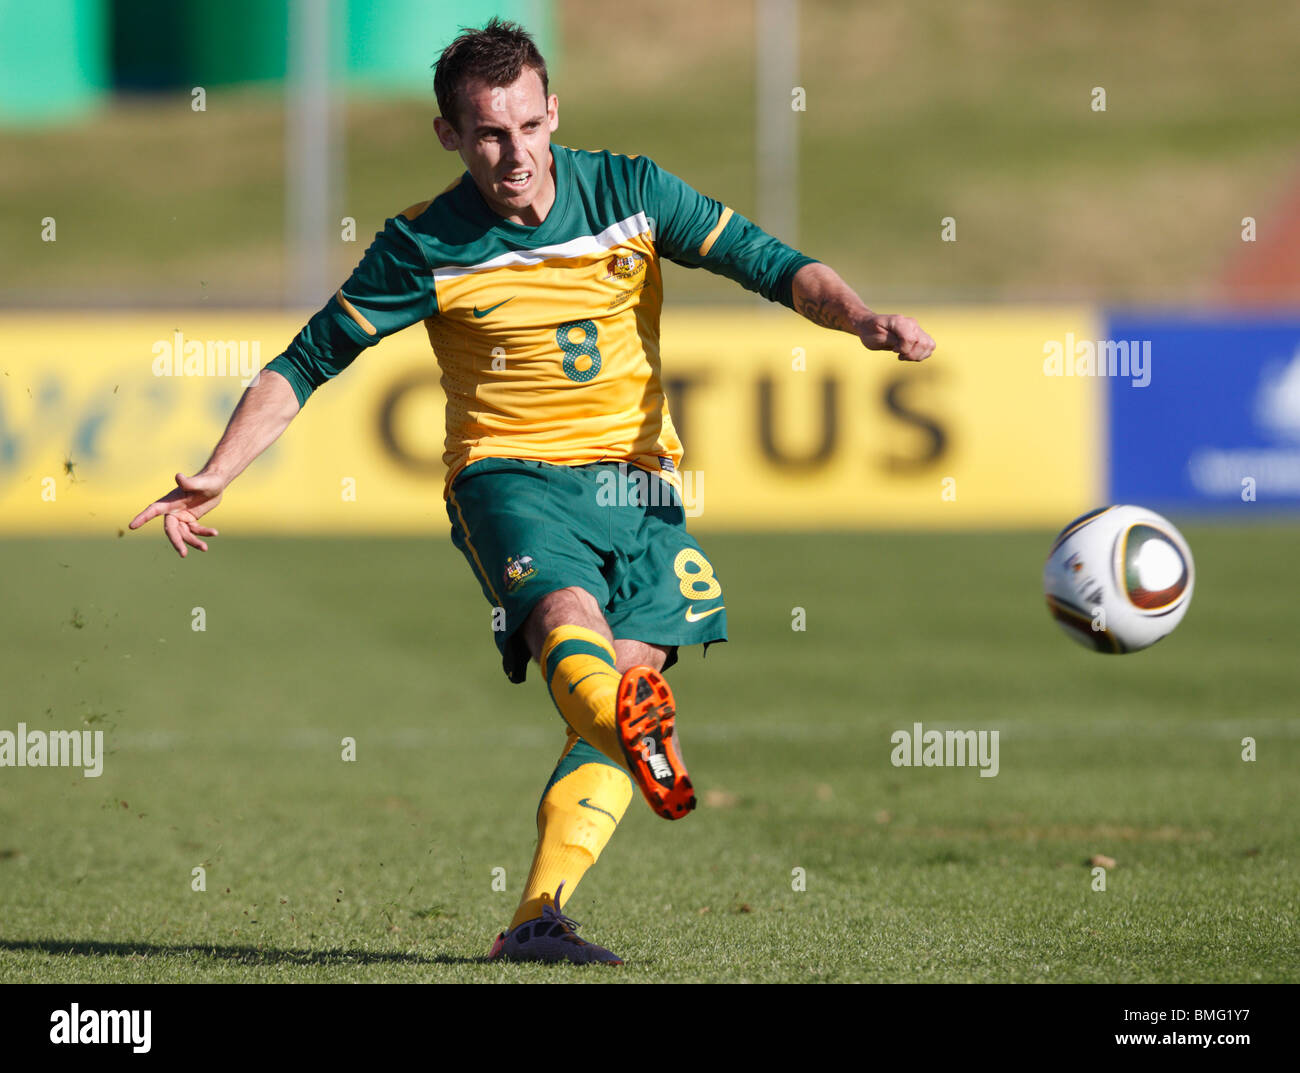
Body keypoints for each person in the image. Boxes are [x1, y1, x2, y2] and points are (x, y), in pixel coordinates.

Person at [128, 18, 935, 966]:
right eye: (486, 134)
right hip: (506, 475)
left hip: (640, 487)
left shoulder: (631, 192)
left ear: (554, 111)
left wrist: (861, 318)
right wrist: (219, 468)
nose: (512, 154)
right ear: (450, 136)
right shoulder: (424, 243)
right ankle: (628, 736)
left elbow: (768, 262)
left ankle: (537, 917)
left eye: (525, 126)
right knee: (569, 627)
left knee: (616, 697)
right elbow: (306, 361)